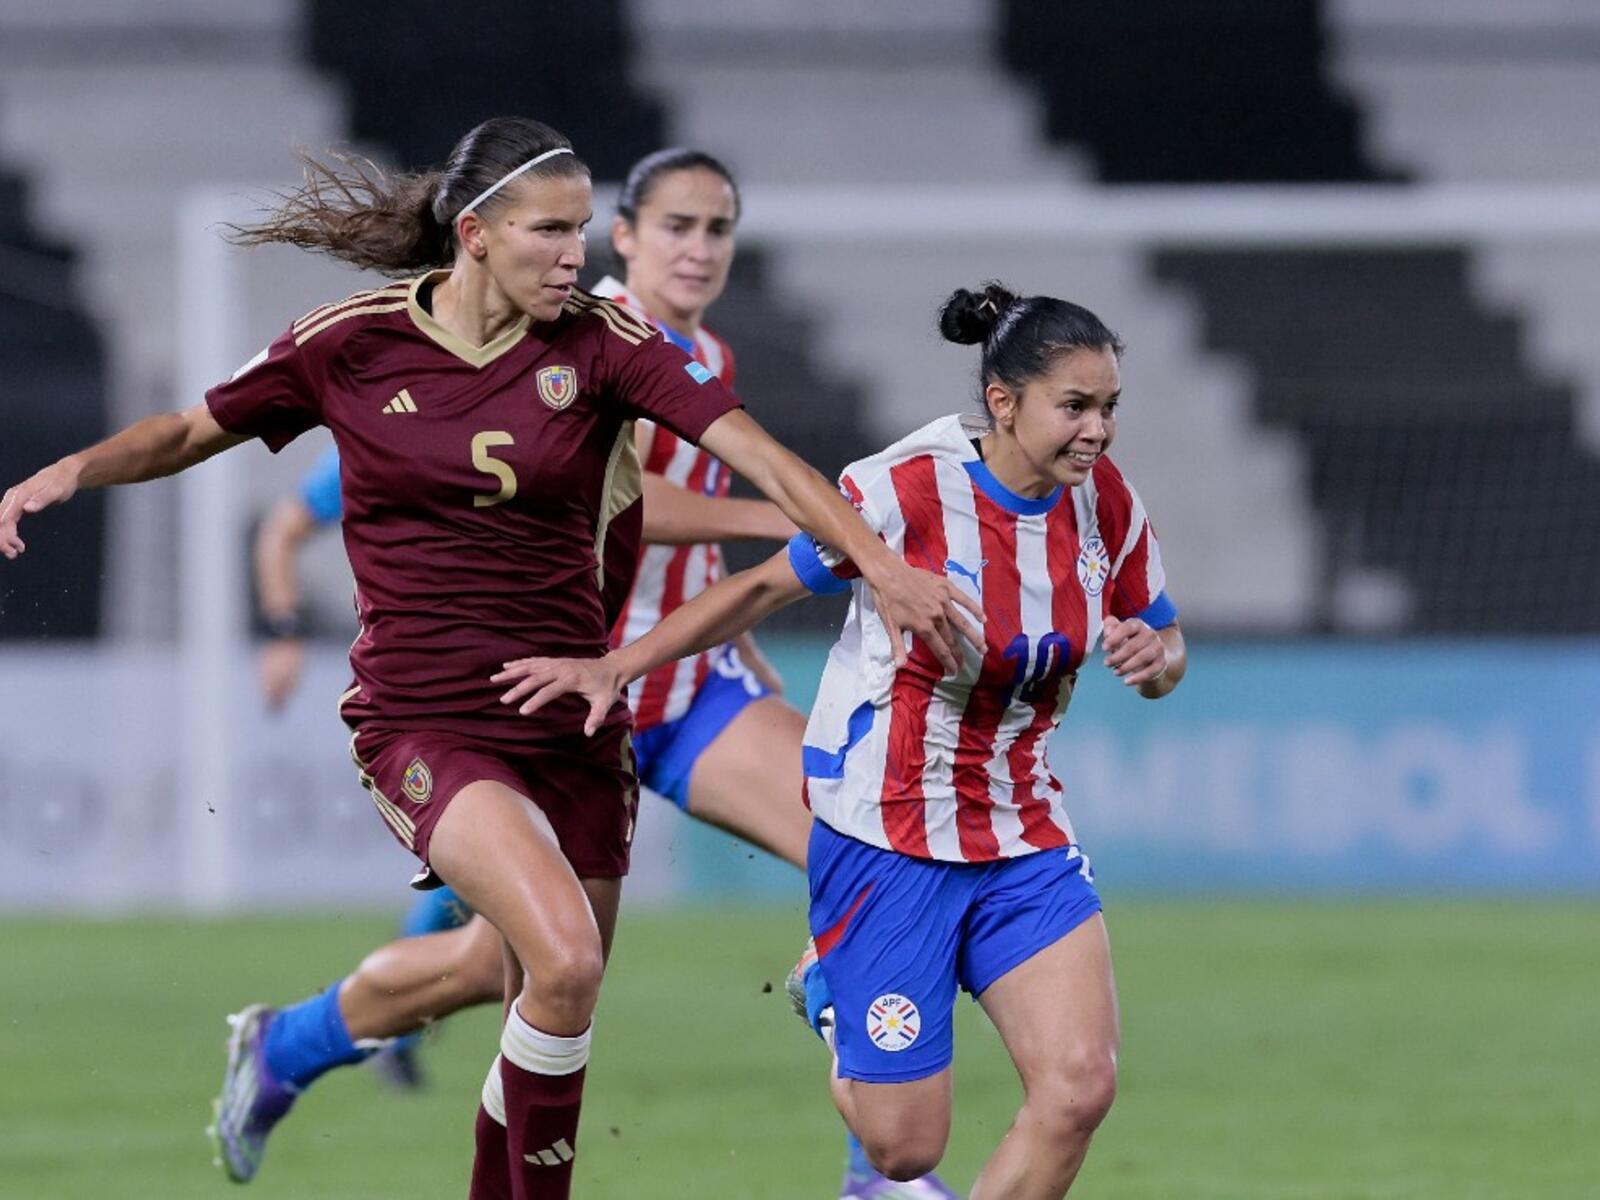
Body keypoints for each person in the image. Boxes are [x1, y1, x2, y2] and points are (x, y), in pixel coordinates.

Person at [0, 117, 981, 1200]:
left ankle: (287, 1047)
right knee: (561, 957)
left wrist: (876, 562)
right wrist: (74, 471)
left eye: (585, 230)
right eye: (556, 231)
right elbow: (195, 431)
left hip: (592, 705)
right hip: (428, 714)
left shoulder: (620, 348)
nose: (579, 255)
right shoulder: (353, 342)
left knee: (537, 980)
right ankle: (877, 1176)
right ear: (475, 234)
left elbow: (767, 458)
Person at [495, 282, 1188, 1200]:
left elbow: (1165, 643)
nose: (1097, 431)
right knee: (906, 1153)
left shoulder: (1104, 503)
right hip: (886, 834)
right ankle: (832, 992)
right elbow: (756, 591)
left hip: (1022, 832)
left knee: (1078, 1090)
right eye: (1075, 407)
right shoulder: (904, 489)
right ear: (1003, 402)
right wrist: (617, 667)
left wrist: (1157, 658)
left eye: (1108, 408)